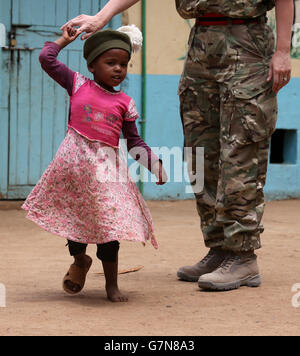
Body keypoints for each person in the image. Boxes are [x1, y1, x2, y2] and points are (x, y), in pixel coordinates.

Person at [62, 0, 293, 291]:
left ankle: (243, 256)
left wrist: (283, 51)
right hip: (201, 44)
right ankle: (219, 248)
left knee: (241, 148)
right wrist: (102, 16)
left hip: (247, 41)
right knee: (200, 150)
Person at [22, 24, 167, 302]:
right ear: (92, 65)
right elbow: (46, 59)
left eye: (123, 64)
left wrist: (154, 164)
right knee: (75, 228)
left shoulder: (125, 103)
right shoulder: (76, 83)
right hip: (73, 174)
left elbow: (134, 142)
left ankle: (111, 286)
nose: (118, 69)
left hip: (105, 176)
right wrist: (64, 40)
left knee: (108, 231)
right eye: (110, 62)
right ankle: (80, 262)